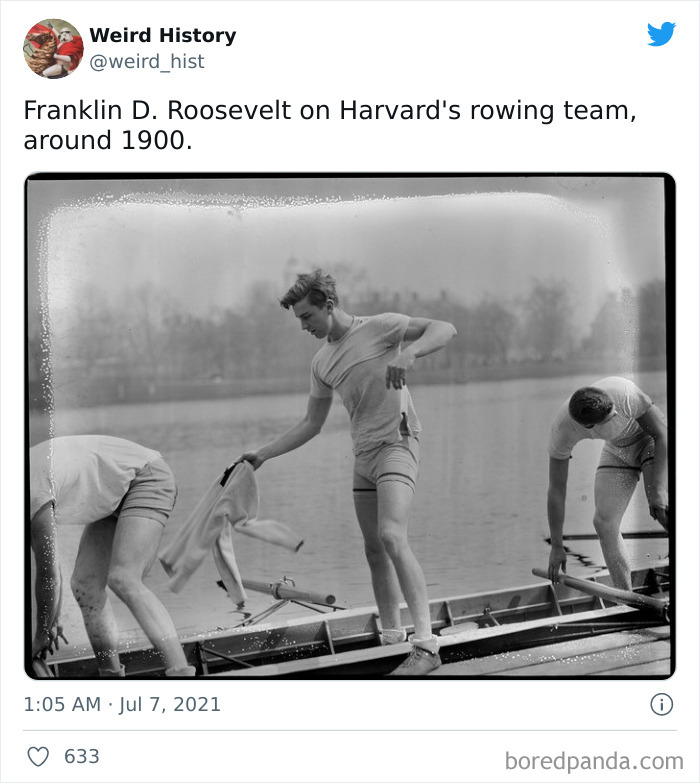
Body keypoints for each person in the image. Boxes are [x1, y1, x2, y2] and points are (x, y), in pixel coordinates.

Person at [238, 270, 456, 675]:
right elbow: (311, 424)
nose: (304, 326)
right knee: (374, 549)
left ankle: (426, 646)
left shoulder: (382, 326)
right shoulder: (322, 362)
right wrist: (263, 454)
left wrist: (409, 354)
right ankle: (392, 639)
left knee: (392, 536)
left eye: (307, 316)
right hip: (364, 456)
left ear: (328, 305)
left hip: (398, 443)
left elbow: (446, 328)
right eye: (299, 320)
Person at [30, 435, 194, 677]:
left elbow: (49, 576)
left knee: (124, 579)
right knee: (85, 585)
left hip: (146, 477)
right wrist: (50, 621)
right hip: (112, 493)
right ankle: (111, 675)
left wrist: (42, 635)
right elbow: (49, 570)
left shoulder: (30, 491)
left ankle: (182, 673)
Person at [546, 377, 669, 590]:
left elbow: (663, 434)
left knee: (661, 510)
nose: (617, 414)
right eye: (611, 417)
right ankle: (626, 599)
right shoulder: (562, 429)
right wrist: (557, 546)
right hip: (618, 450)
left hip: (650, 439)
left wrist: (658, 491)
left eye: (614, 409)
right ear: (588, 426)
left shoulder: (624, 393)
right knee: (604, 523)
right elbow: (556, 490)